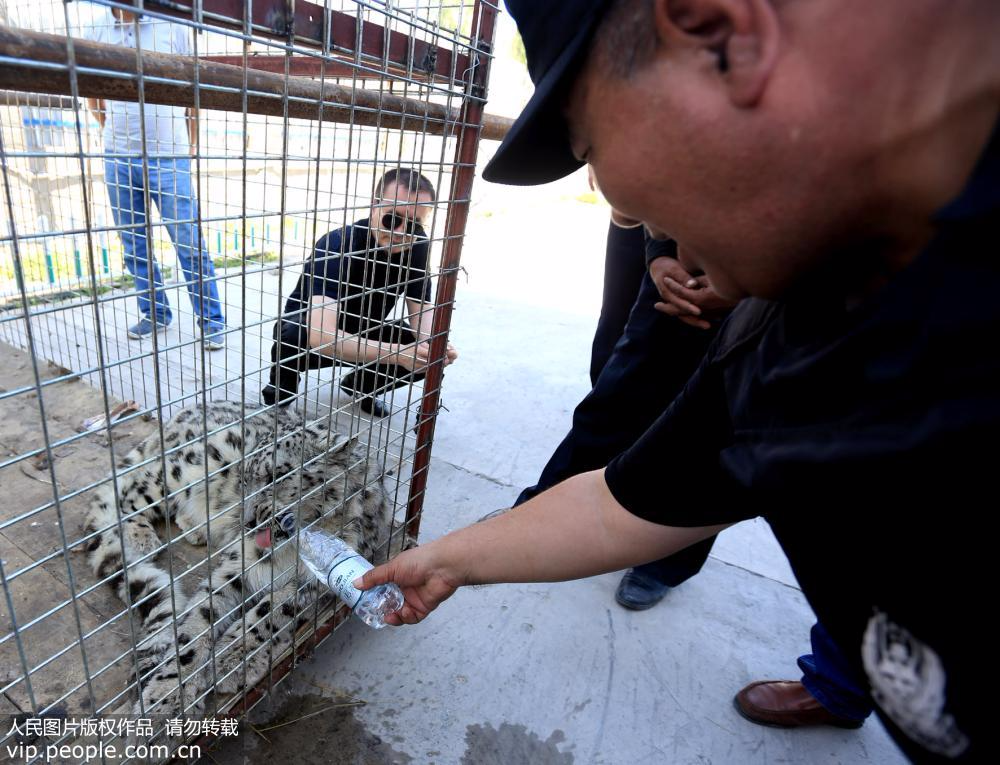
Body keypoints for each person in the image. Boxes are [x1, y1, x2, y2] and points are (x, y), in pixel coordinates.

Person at [356, 1, 998, 761]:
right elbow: (614, 503)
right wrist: (452, 558)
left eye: (588, 147)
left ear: (714, 29)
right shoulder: (771, 344)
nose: (618, 206)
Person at [519, 192, 873, 728]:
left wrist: (753, 289)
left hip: (777, 298)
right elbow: (654, 205)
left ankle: (668, 557)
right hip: (682, 289)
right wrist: (661, 254)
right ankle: (544, 509)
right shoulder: (670, 202)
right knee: (613, 395)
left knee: (712, 445)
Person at [82, 7, 226, 348]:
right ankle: (155, 313)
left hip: (169, 154)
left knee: (188, 243)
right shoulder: (95, 28)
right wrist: (112, 134)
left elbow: (193, 88)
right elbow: (92, 91)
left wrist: (190, 143)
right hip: (119, 155)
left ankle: (211, 320)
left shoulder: (171, 25)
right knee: (134, 245)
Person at [261, 169, 457, 417]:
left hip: (365, 333)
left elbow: (421, 308)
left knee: (423, 351)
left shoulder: (416, 244)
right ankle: (280, 395)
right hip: (309, 340)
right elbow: (321, 336)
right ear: (375, 206)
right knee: (294, 330)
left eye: (414, 224)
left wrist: (435, 346)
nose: (401, 233)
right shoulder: (339, 244)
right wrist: (397, 355)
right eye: (393, 218)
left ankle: (361, 386)